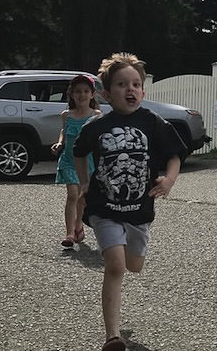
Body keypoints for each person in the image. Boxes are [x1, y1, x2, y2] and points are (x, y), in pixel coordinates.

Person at [74, 52, 187, 351]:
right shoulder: (96, 127)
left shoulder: (152, 122)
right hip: (104, 207)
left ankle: (122, 250)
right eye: (122, 84)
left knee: (134, 265)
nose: (130, 90)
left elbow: (175, 155)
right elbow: (78, 151)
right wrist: (84, 182)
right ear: (107, 94)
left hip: (139, 210)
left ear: (144, 91)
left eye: (136, 84)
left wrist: (169, 180)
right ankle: (113, 336)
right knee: (116, 267)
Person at [51, 74, 101, 248]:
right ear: (72, 94)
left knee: (82, 197)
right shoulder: (67, 115)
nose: (82, 95)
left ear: (92, 94)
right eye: (78, 91)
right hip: (69, 160)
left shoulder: (96, 115)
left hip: (88, 162)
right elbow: (64, 131)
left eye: (86, 91)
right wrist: (60, 143)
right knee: (72, 195)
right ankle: (69, 233)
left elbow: (98, 137)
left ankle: (78, 224)